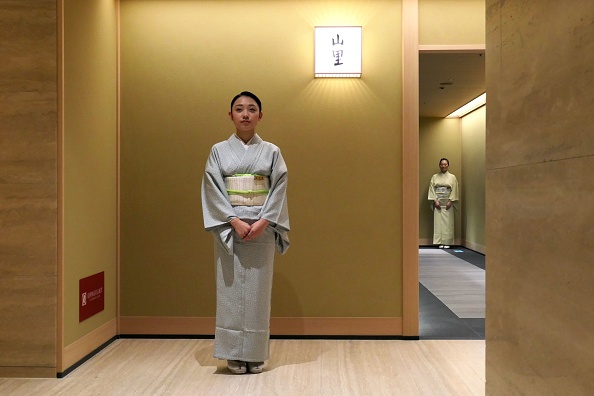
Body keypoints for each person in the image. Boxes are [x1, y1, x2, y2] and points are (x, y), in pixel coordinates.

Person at [201, 91, 290, 374]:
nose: (245, 114)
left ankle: (253, 354)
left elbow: (279, 188)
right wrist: (233, 220)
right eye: (239, 109)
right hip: (230, 228)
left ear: (260, 115)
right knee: (229, 291)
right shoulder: (218, 150)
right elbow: (212, 187)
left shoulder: (272, 151)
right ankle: (232, 354)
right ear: (230, 115)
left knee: (258, 292)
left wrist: (265, 221)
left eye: (252, 109)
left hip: (261, 228)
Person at [428, 158, 459, 248]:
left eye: (445, 164)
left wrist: (451, 201)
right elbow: (432, 189)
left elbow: (455, 189)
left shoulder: (452, 177)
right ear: (439, 165)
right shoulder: (434, 177)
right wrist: (435, 200)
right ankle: (440, 242)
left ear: (448, 165)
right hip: (438, 202)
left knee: (448, 223)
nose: (443, 166)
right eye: (441, 164)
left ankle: (447, 242)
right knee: (438, 223)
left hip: (448, 202)